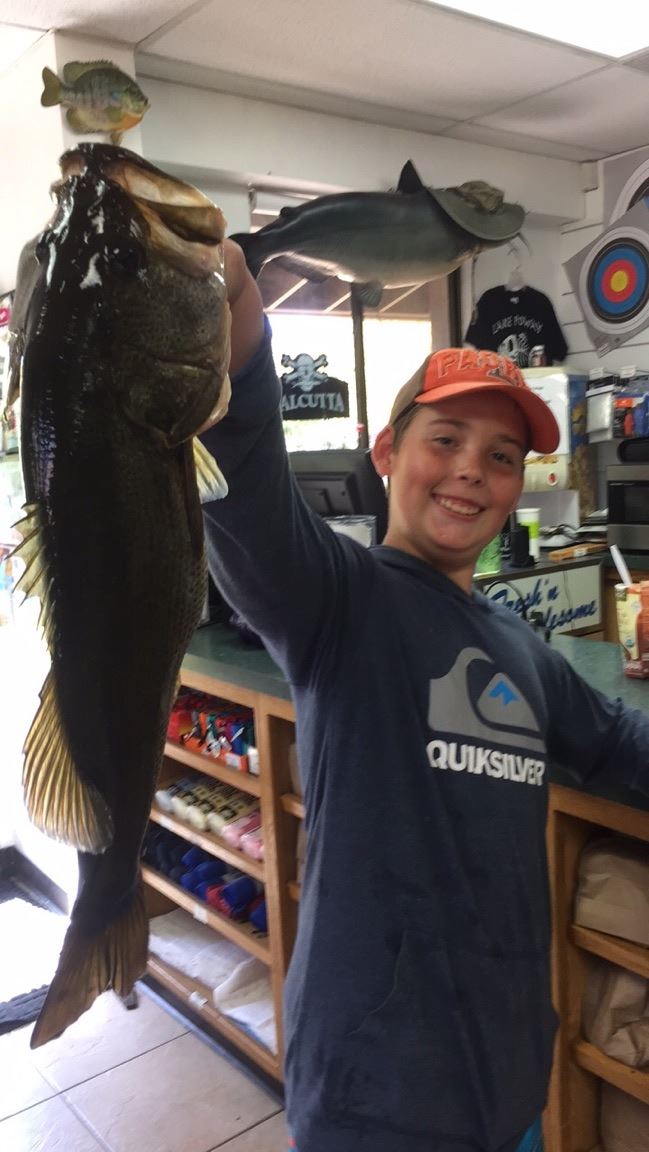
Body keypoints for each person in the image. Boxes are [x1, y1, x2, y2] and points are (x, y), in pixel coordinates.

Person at [201, 240, 649, 1152]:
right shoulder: (338, 603)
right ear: (385, 450)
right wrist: (240, 343)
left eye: (500, 454)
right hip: (374, 1094)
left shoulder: (525, 651)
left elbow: (619, 749)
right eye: (444, 439)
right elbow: (244, 496)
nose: (470, 472)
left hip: (508, 1082)